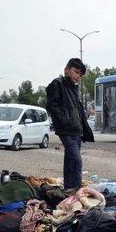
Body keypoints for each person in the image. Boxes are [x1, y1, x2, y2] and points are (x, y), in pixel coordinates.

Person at [46, 58, 95, 190]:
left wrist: (83, 125)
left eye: (80, 74)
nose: (78, 76)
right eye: (76, 72)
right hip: (66, 130)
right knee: (76, 160)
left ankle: (69, 190)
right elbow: (51, 105)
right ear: (66, 70)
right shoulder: (57, 84)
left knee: (70, 161)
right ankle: (77, 191)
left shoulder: (73, 88)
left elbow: (77, 109)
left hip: (76, 130)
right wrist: (64, 120)